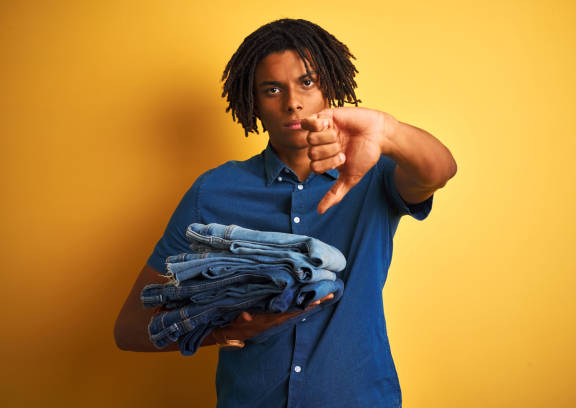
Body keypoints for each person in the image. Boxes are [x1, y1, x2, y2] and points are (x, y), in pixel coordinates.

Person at [114, 18, 456, 407]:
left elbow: (440, 171)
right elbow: (130, 329)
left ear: (329, 84)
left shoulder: (372, 173)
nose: (292, 101)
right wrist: (225, 330)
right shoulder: (211, 192)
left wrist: (385, 131)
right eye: (272, 89)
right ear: (254, 103)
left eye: (307, 83)